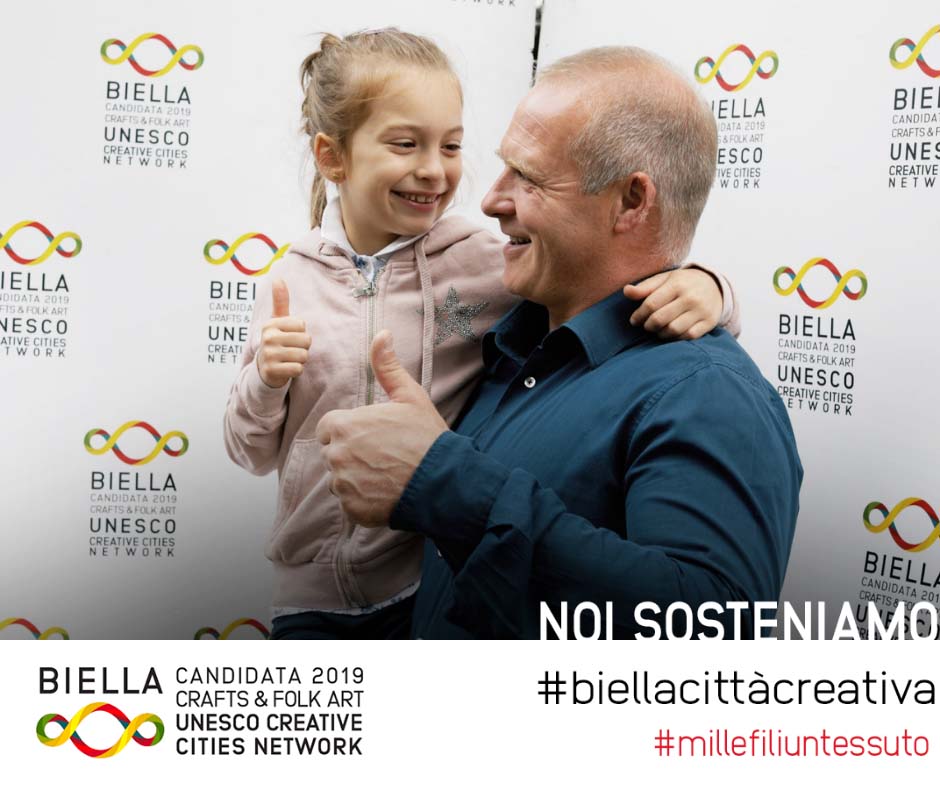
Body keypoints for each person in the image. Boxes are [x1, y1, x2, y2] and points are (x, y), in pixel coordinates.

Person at [224, 32, 740, 640]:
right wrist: (265, 383)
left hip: (420, 587)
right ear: (332, 157)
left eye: (451, 145)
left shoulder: (483, 262)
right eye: (405, 144)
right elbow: (249, 449)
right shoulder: (290, 281)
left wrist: (711, 287)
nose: (435, 169)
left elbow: (600, 280)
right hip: (309, 601)